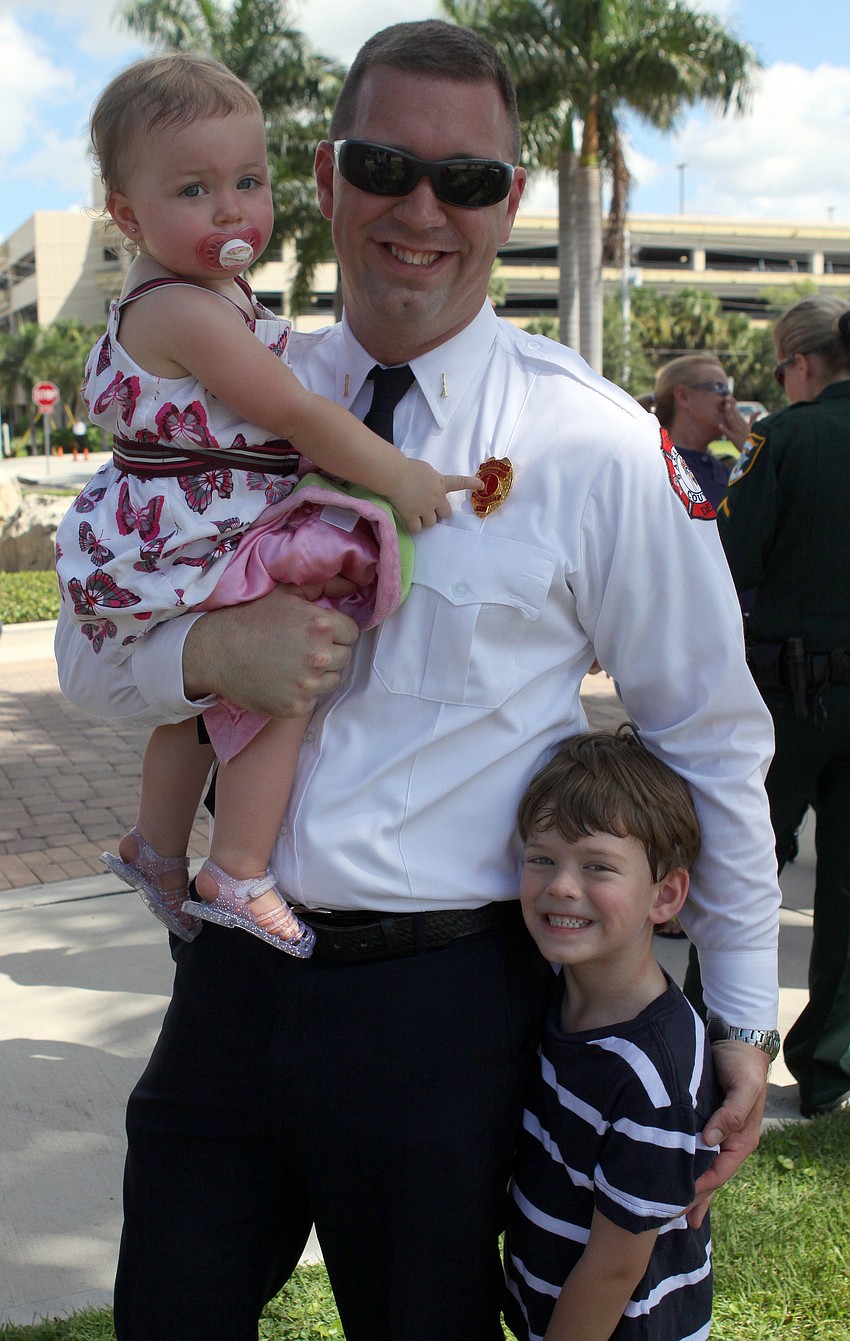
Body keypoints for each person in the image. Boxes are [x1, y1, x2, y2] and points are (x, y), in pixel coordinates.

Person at [55, 21, 781, 1341]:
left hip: (445, 1010)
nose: (421, 210)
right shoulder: (230, 387)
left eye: (469, 181)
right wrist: (211, 655)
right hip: (230, 978)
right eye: (386, 164)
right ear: (327, 178)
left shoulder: (595, 444)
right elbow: (87, 657)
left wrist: (736, 1012)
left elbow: (708, 734)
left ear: (509, 204)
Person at [55, 53, 479, 954]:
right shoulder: (186, 311)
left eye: (248, 181)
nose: (231, 210)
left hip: (174, 528)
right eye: (195, 190)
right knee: (276, 684)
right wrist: (397, 477)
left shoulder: (204, 294)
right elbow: (291, 409)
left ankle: (158, 848)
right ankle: (237, 868)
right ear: (127, 215)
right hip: (188, 534)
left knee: (196, 705)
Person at [504, 728, 722, 1341]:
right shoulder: (554, 996)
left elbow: (612, 1271)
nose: (562, 886)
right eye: (541, 857)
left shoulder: (655, 1075)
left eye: (597, 865)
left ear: (666, 894)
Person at [716, 295, 850, 1120]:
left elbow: (727, 554)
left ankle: (714, 1046)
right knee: (844, 887)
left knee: (742, 866)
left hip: (787, 697)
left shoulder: (789, 436)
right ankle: (828, 1071)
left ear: (799, 365)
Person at [653, 354, 754, 512]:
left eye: (728, 391)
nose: (730, 401)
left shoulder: (725, 469)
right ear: (684, 397)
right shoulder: (658, 468)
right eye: (719, 388)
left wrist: (751, 452)